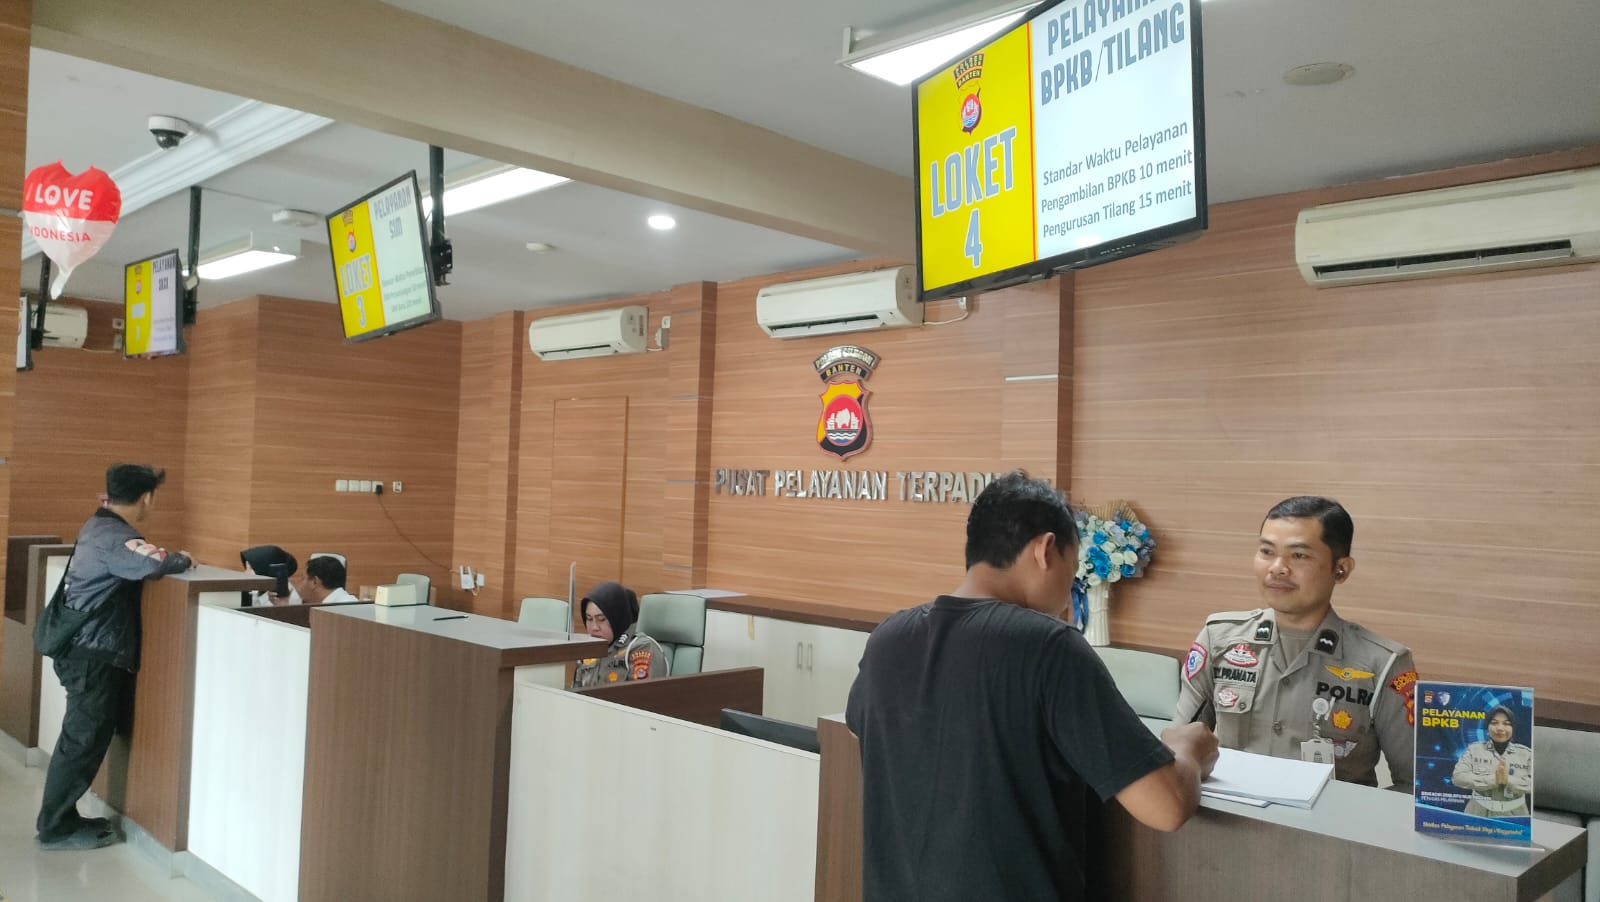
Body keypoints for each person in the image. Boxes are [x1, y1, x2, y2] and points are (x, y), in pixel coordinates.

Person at [846, 472, 1218, 901]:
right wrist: (1187, 749)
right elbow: (1166, 807)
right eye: (1072, 573)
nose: (1069, 597)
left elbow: (868, 729)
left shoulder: (889, 638)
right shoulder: (1049, 646)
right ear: (1045, 550)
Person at [1175, 496, 1418, 789]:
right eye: (1267, 551)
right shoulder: (1218, 640)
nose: (1277, 567)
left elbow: (1413, 785)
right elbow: (1179, 750)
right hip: (1227, 815)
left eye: (1299, 555)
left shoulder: (1384, 664)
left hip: (1329, 818)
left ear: (1341, 569)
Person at [36, 463, 194, 850]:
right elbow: (155, 563)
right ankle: (55, 828)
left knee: (83, 737)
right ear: (146, 498)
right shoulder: (115, 537)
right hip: (91, 653)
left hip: (84, 650)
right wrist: (183, 558)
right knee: (81, 740)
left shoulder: (99, 526)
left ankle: (62, 819)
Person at [571, 581, 668, 688]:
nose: (594, 627)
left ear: (617, 618)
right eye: (589, 619)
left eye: (601, 619)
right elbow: (575, 691)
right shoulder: (590, 649)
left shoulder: (641, 648)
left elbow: (642, 695)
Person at [1451, 705, 1533, 817]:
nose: (1500, 728)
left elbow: (1534, 785)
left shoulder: (1526, 754)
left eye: (1506, 724)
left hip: (1515, 815)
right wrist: (1494, 780)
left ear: (1513, 729)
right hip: (1477, 812)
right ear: (1487, 728)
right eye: (1494, 723)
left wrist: (1508, 780)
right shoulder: (1474, 750)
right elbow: (1458, 778)